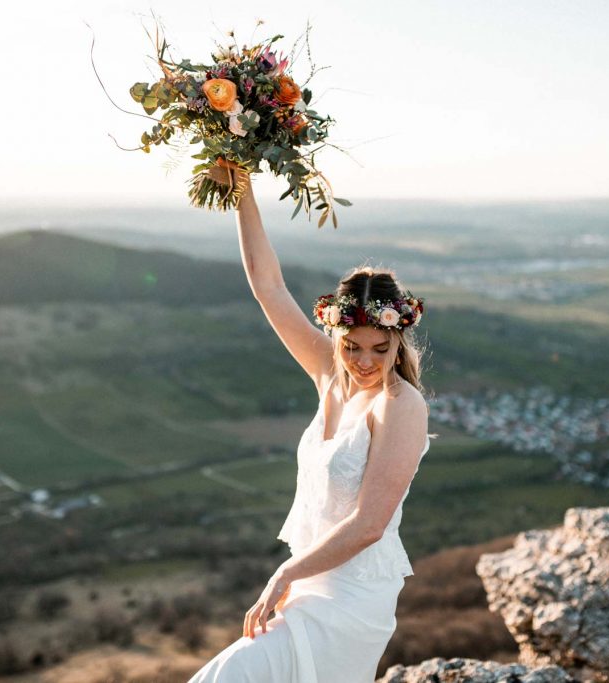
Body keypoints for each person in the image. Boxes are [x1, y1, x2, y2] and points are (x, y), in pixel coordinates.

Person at [188, 165, 431, 683]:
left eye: (380, 349)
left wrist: (284, 573)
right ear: (337, 336)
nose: (365, 361)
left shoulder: (400, 404)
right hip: (308, 580)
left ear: (398, 342)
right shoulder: (329, 375)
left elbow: (369, 525)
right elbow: (267, 286)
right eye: (353, 347)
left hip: (351, 596)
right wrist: (242, 184)